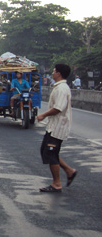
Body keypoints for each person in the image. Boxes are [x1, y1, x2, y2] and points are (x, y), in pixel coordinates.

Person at [37, 63, 76, 193]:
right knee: (46, 151)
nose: (52, 73)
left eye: (54, 71)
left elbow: (58, 108)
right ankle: (69, 171)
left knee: (50, 152)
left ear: (58, 73)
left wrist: (43, 114)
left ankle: (57, 183)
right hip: (53, 126)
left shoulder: (61, 89)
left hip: (58, 127)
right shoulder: (60, 87)